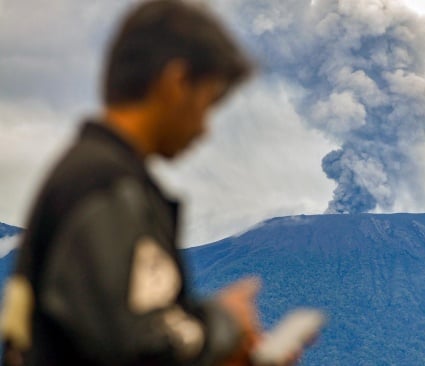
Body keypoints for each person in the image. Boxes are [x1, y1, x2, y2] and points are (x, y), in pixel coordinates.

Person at [0, 1, 273, 365]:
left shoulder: (85, 176)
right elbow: (140, 345)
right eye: (207, 103)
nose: (205, 128)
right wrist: (224, 324)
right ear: (176, 83)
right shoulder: (105, 188)